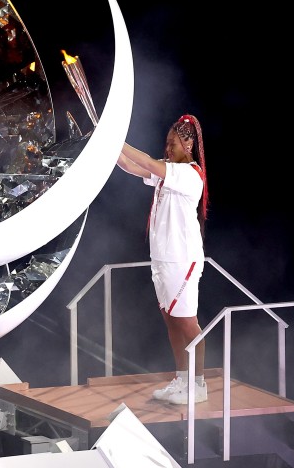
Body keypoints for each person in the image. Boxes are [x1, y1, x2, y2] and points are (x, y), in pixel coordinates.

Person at [116, 114, 210, 404]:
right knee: (171, 322)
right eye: (167, 143)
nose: (168, 148)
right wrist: (105, 148)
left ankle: (198, 385)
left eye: (173, 144)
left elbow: (145, 161)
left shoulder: (189, 174)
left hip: (182, 259)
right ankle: (182, 379)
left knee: (187, 323)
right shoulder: (169, 170)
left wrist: (113, 138)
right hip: (161, 258)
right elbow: (130, 165)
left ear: (189, 144)